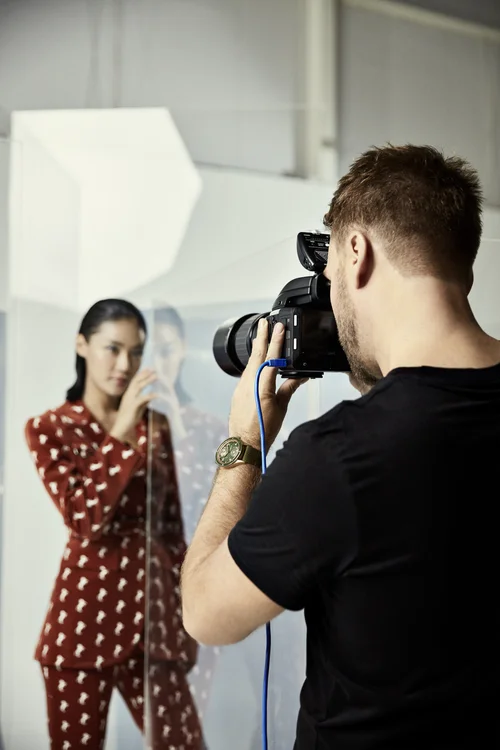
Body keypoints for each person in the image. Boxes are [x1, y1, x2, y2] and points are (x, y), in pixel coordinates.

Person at [181, 145, 498, 749]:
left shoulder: (339, 456)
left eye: (328, 279)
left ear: (356, 251)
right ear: (466, 270)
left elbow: (204, 612)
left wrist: (243, 441)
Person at [25, 299, 203, 750]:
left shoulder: (157, 426)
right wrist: (121, 432)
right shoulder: (49, 428)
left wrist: (186, 621)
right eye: (113, 349)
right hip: (82, 626)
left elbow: (174, 529)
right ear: (82, 345)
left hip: (155, 629)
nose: (125, 365)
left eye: (136, 352)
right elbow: (83, 518)